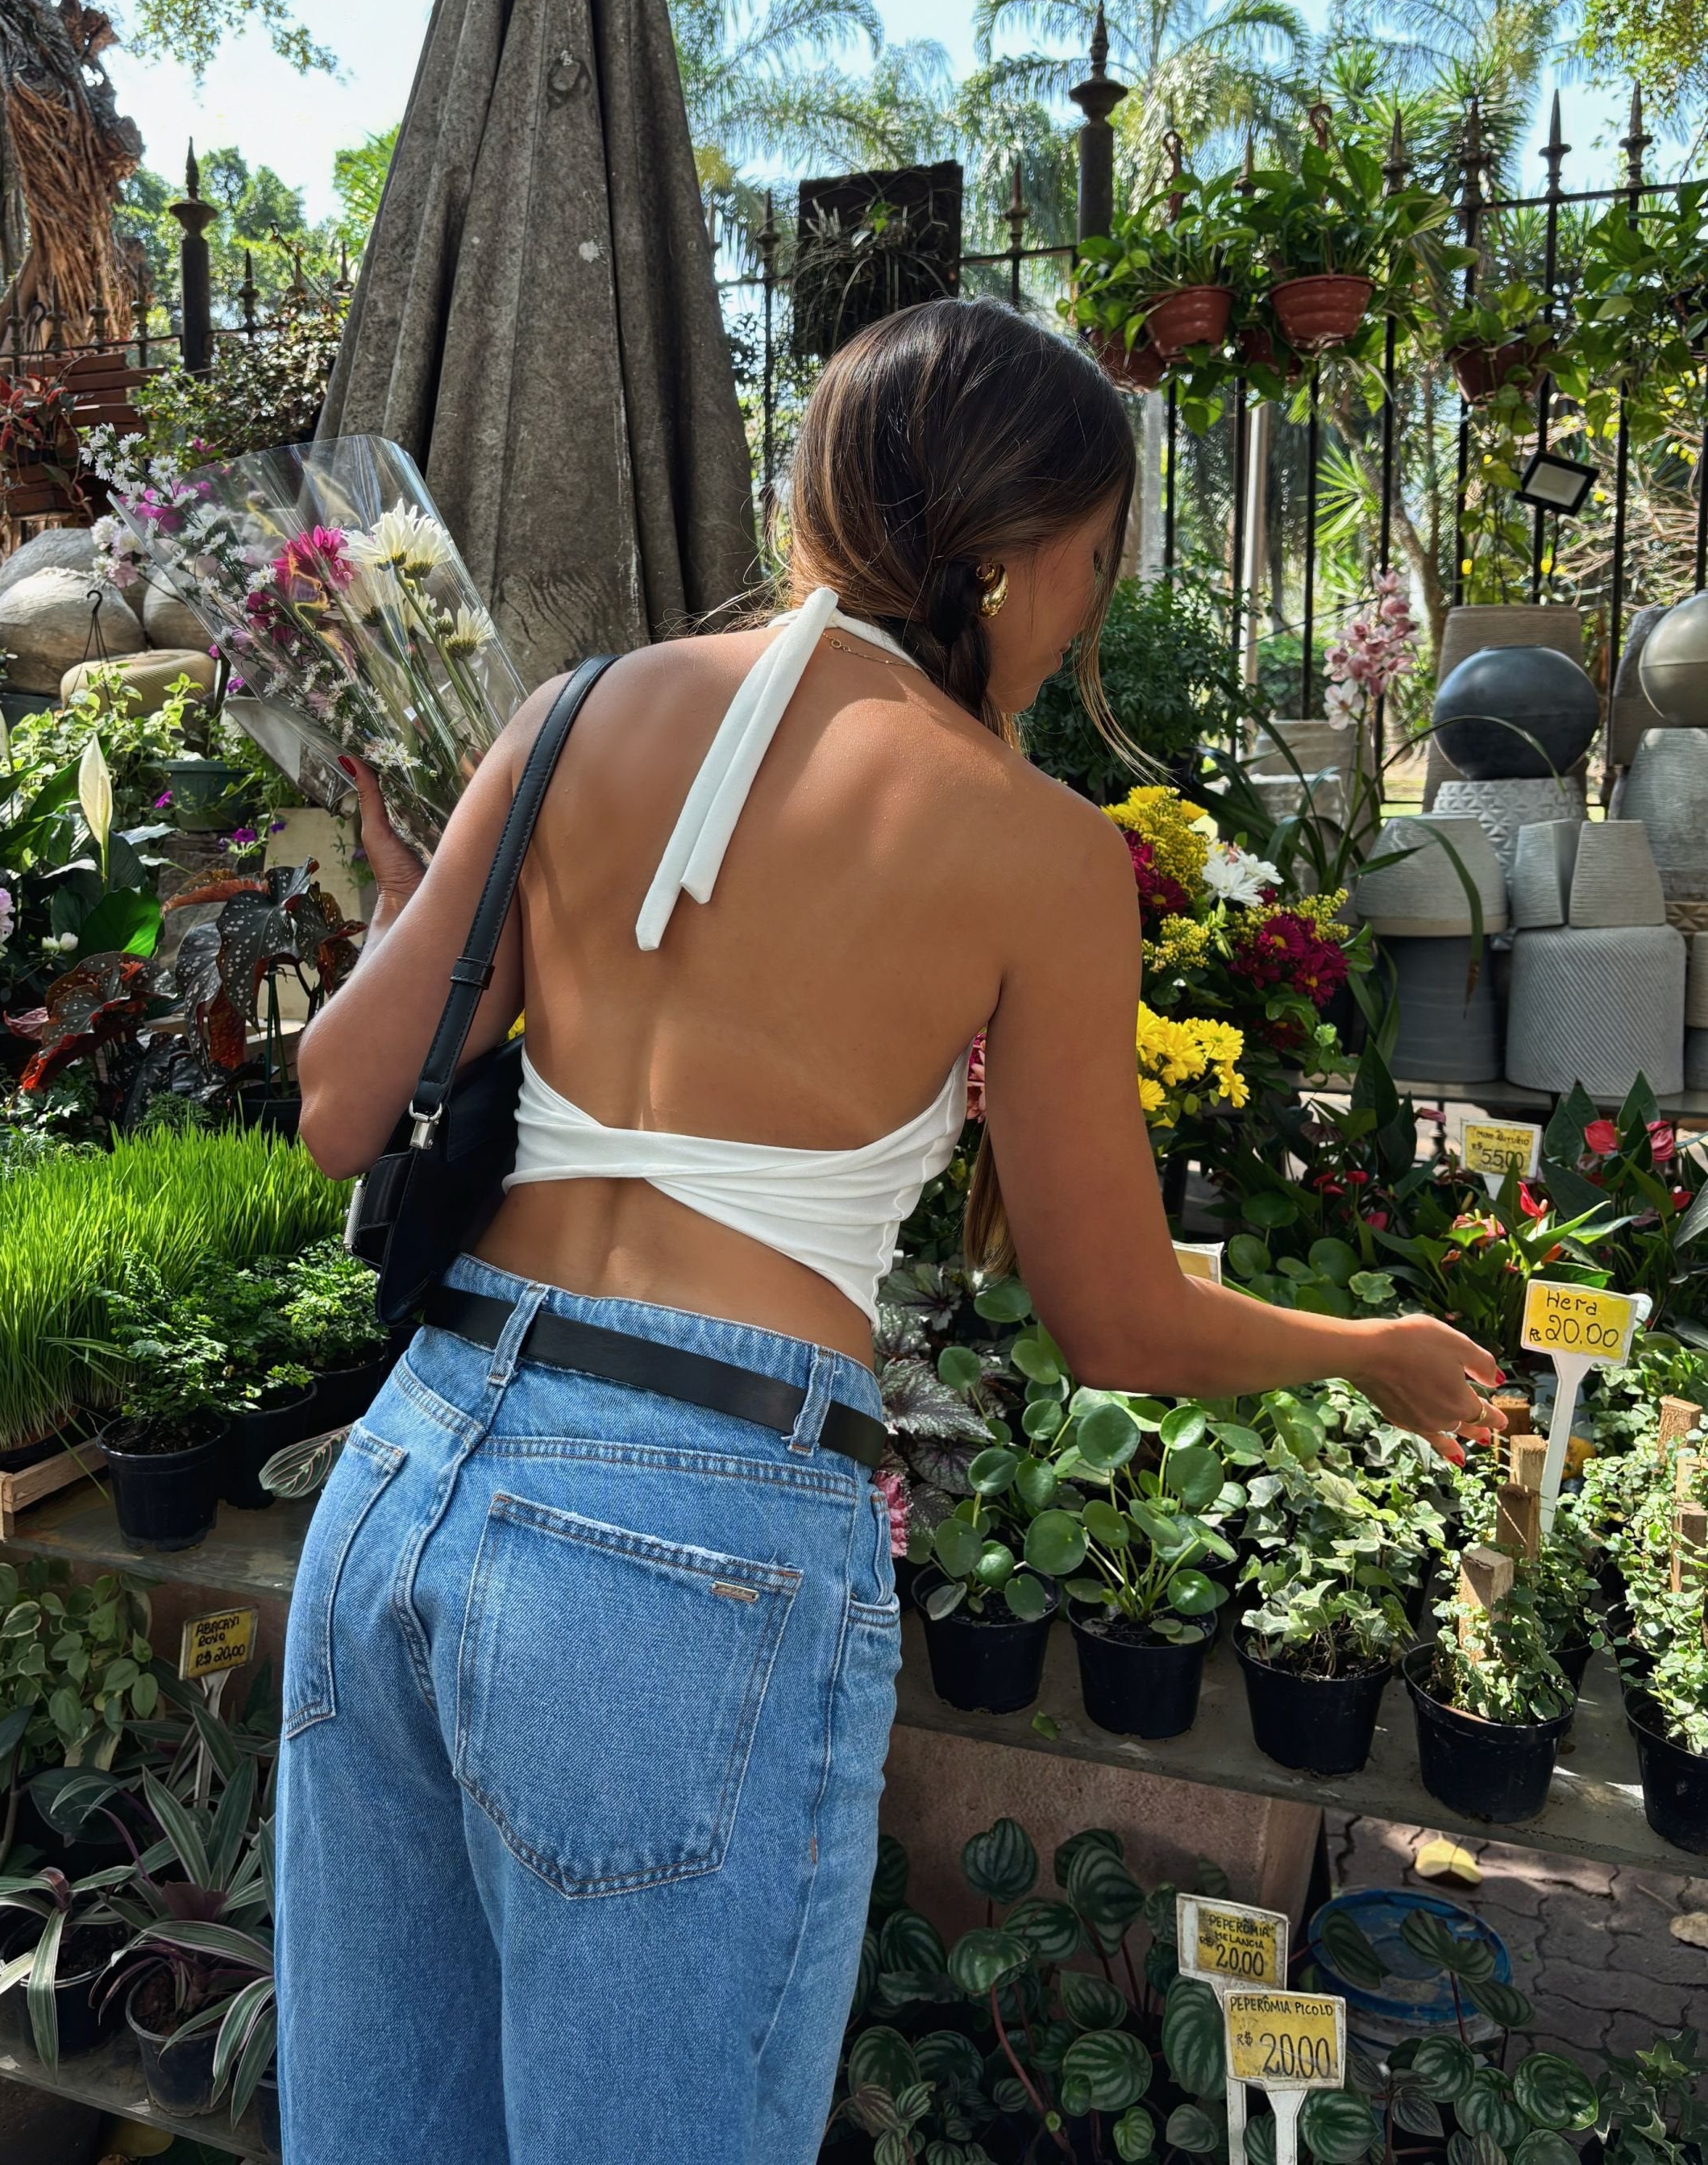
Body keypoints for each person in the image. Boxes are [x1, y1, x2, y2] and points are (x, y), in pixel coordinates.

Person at [281, 298, 1496, 2163]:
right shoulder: (1034, 847)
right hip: (682, 1542)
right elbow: (1116, 1325)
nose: (1086, 601)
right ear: (1020, 551)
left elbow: (337, 1112)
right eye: (1095, 559)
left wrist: (403, 911)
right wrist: (1369, 1353)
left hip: (411, 1469)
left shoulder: (577, 711)